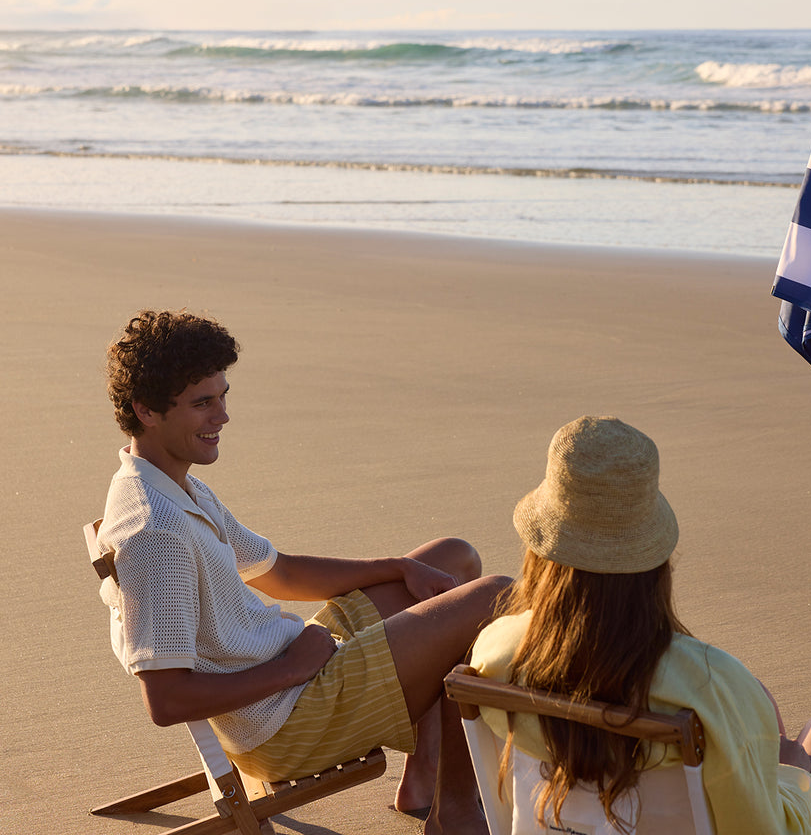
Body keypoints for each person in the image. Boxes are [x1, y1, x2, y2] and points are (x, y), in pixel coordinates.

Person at [96, 309, 510, 835]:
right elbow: (167, 699)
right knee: (494, 596)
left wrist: (399, 567)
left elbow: (280, 572)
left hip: (300, 663)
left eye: (223, 396)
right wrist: (293, 668)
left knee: (450, 558)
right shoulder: (155, 534)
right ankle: (454, 813)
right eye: (203, 403)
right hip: (286, 720)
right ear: (146, 411)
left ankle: (424, 779)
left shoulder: (175, 488)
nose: (222, 416)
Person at [470, 415, 811, 835]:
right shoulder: (710, 684)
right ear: (653, 562)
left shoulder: (495, 652)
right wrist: (790, 773)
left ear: (540, 552)